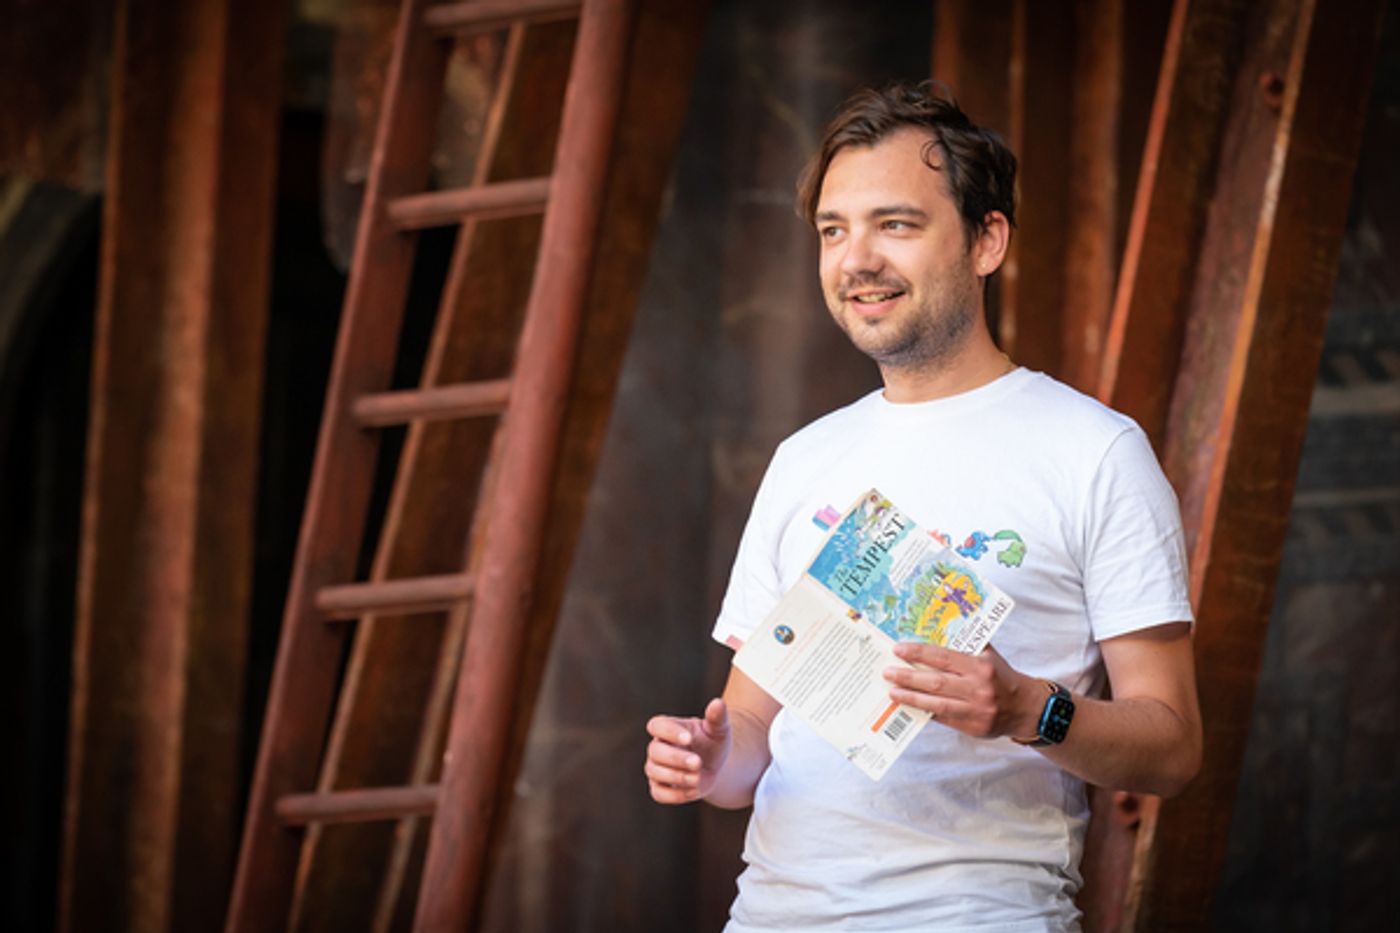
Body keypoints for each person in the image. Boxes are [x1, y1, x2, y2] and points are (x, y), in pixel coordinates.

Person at [643, 81, 1202, 932]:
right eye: (834, 230)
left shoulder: (1095, 452)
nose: (856, 259)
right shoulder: (806, 459)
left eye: (895, 224)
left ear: (987, 240)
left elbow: (1173, 746)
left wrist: (1029, 709)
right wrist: (713, 762)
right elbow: (752, 726)